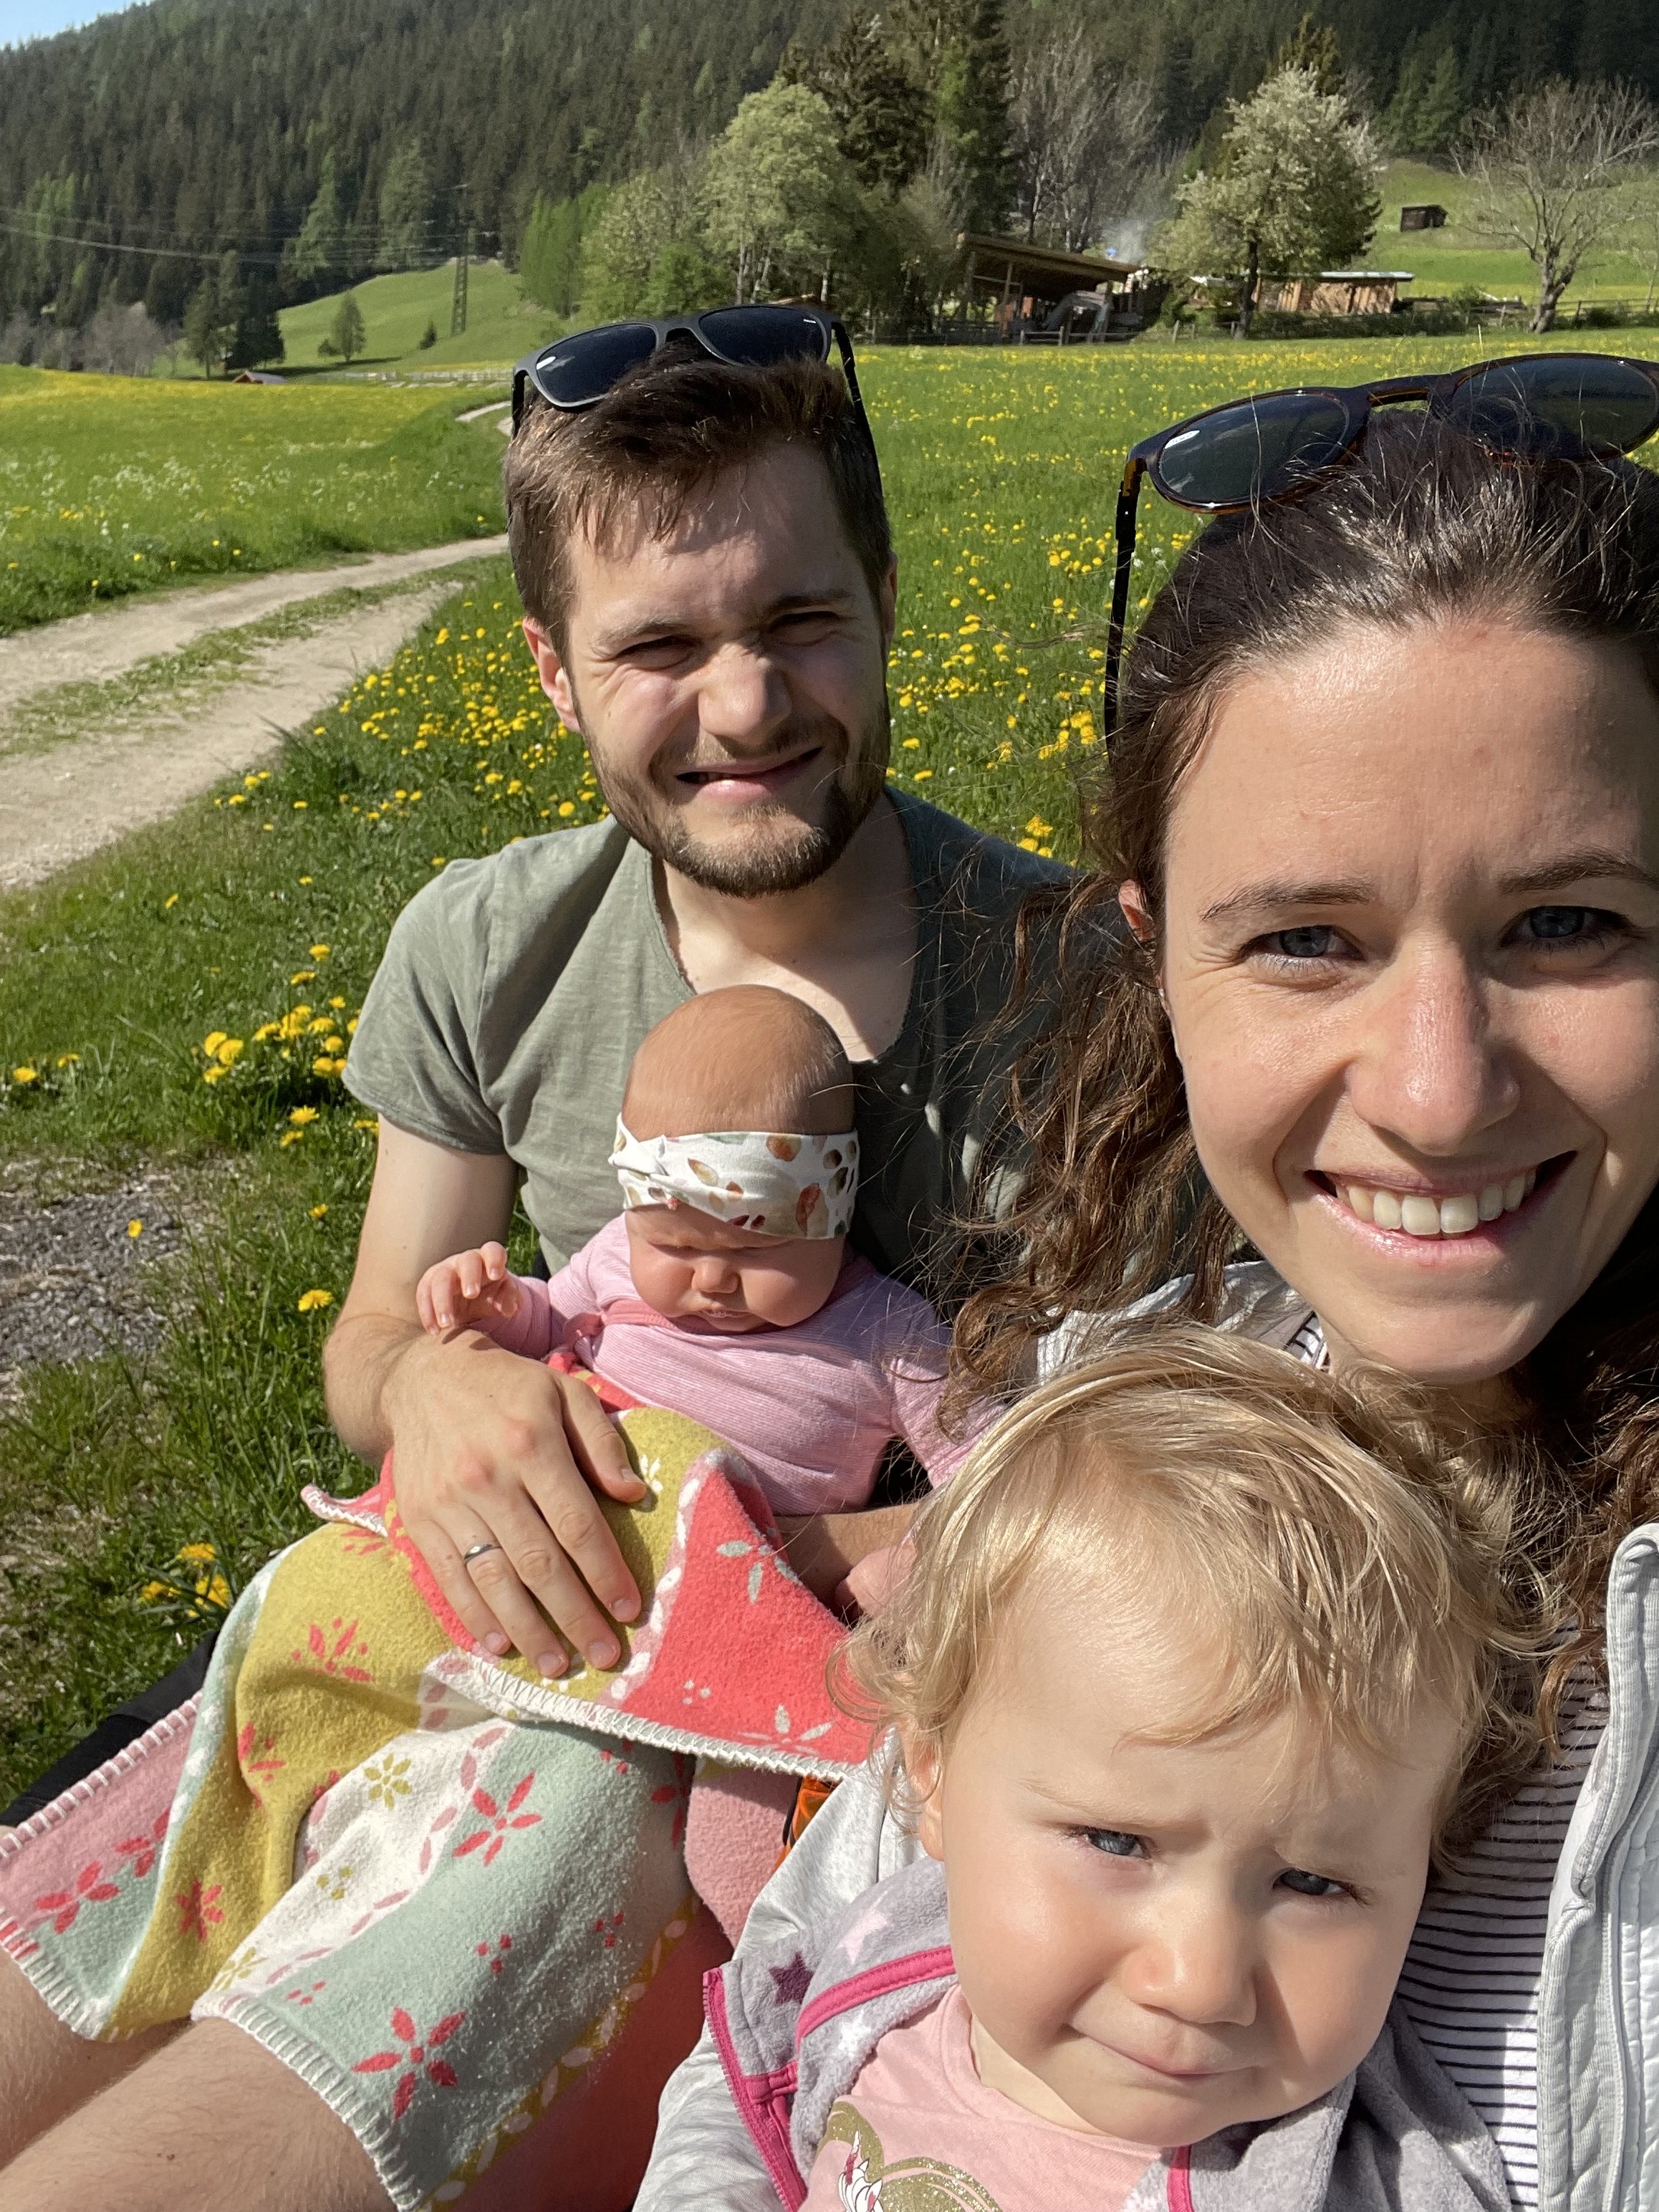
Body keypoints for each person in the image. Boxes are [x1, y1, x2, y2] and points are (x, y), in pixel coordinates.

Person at [0, 325, 1062, 2212]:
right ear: (554, 674)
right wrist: (436, 1383)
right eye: (658, 647)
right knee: (109, 1905)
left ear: (887, 606)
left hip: (785, 1723)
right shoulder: (488, 946)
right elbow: (371, 1335)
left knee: (407, 1970)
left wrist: (764, 1548)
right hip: (465, 1599)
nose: (744, 703)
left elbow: (1127, 1455)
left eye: (800, 620)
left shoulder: (1067, 989)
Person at [639, 385, 1659, 2211]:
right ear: (1157, 962)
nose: (1436, 1091)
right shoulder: (1113, 1426)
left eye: (1567, 922)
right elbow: (793, 2009)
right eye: (1304, 939)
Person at [691, 1329, 1539, 2212]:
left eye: (1314, 1883)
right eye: (1117, 1841)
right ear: (932, 1770)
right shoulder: (878, 1984)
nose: (1200, 1982)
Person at [417, 986, 987, 1539]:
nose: (712, 1278)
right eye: (676, 1247)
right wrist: (498, 1309)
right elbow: (547, 1324)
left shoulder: (889, 1334)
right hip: (553, 1519)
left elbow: (983, 1465)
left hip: (747, 1567)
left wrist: (902, 1562)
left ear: (834, 1223)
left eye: (754, 1250)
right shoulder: (616, 1254)